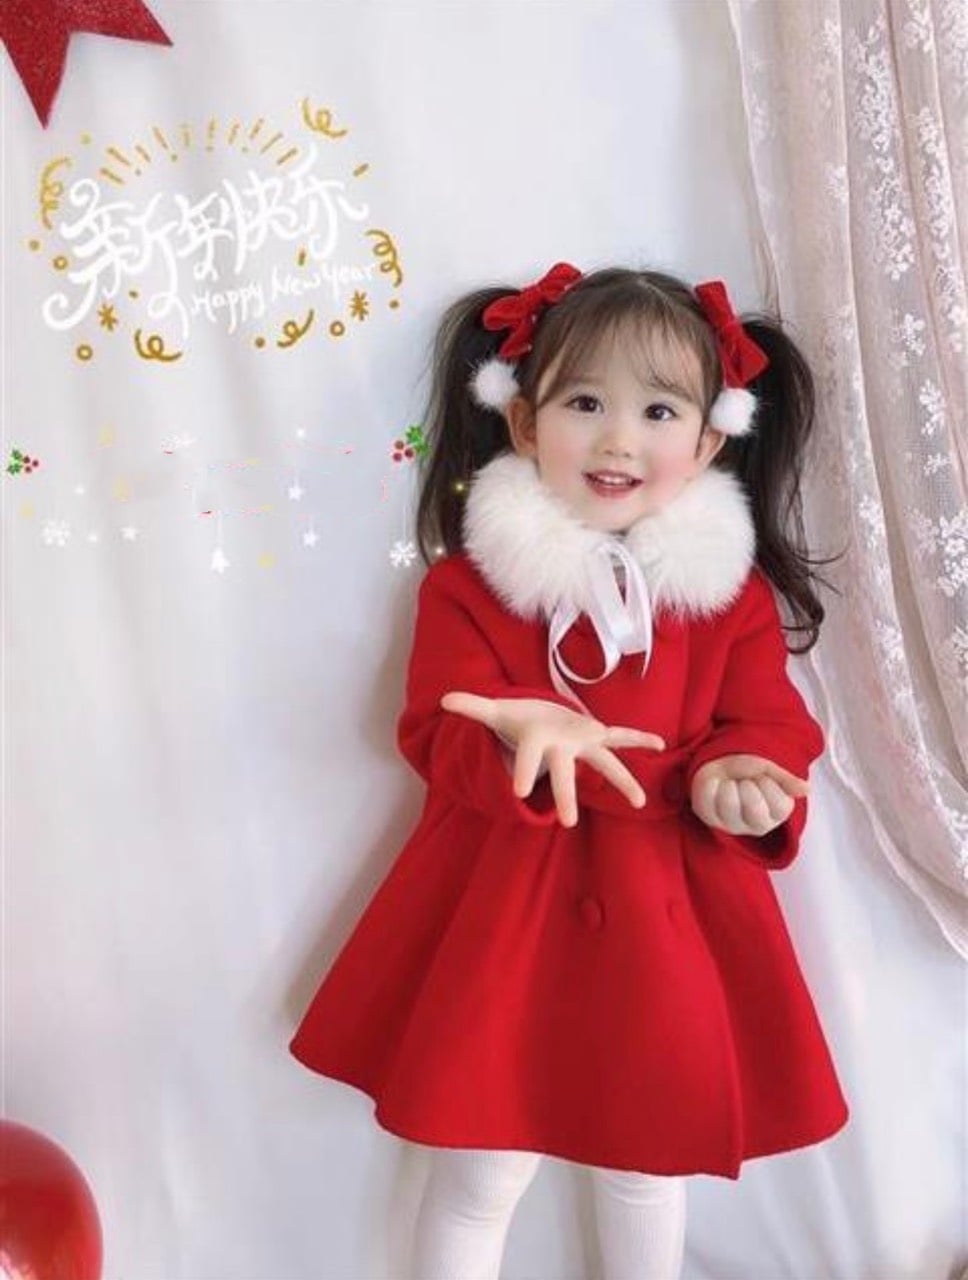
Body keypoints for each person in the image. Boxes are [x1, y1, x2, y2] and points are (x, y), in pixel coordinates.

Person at [289, 262, 850, 1279]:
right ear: (522, 422)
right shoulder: (470, 587)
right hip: (506, 906)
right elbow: (434, 730)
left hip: (664, 911)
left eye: (657, 410)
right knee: (482, 1170)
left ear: (708, 440)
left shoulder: (728, 598)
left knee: (646, 1163)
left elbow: (768, 719)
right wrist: (514, 737)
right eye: (584, 403)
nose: (617, 439)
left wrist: (739, 773)